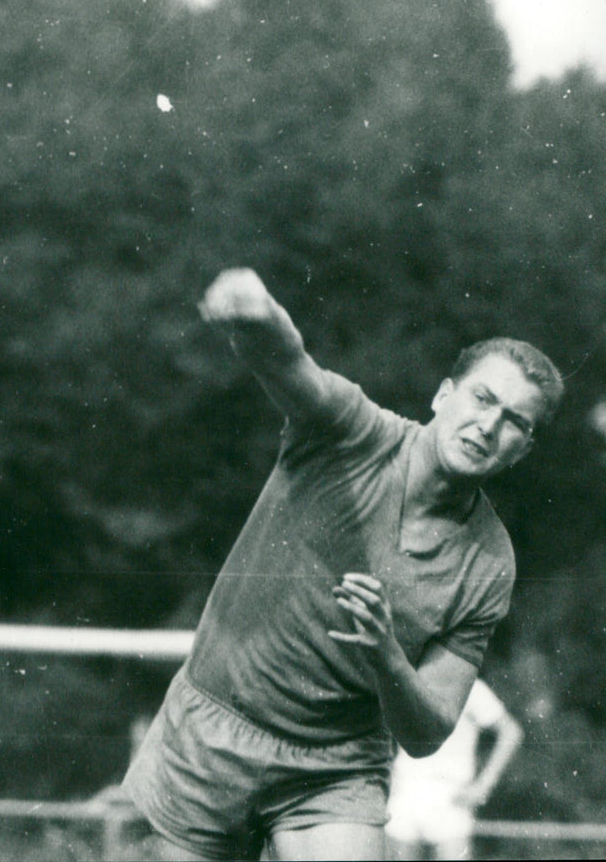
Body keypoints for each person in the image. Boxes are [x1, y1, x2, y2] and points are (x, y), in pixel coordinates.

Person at [122, 268, 564, 862]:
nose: (489, 427)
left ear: (525, 449)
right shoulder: (354, 434)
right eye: (484, 399)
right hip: (215, 728)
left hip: (334, 766)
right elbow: (287, 361)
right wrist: (254, 310)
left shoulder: (490, 562)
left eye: (516, 423)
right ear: (443, 395)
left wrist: (385, 651)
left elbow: (429, 729)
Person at [386, 678, 523, 860]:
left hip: (450, 794)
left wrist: (484, 785)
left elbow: (511, 731)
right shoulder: (405, 678)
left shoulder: (471, 686)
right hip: (405, 791)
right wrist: (387, 773)